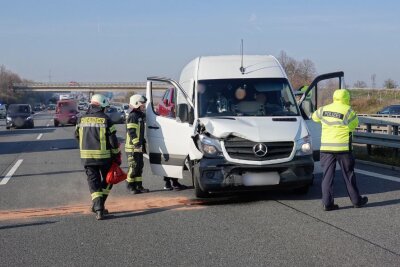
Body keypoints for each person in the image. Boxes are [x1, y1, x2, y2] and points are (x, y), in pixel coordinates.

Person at [312, 89, 368, 211]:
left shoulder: (323, 109)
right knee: (348, 175)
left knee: (327, 176)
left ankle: (327, 204)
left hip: (326, 148)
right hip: (343, 148)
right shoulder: (349, 111)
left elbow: (314, 117)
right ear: (346, 98)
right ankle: (357, 201)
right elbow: (353, 126)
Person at [75, 94, 121, 220]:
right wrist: (116, 154)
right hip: (104, 157)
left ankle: (98, 207)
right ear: (101, 106)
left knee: (93, 182)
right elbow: (113, 141)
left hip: (87, 158)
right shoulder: (106, 119)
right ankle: (99, 206)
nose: (105, 110)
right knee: (108, 180)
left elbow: (77, 136)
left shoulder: (81, 119)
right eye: (105, 107)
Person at [125, 94, 150, 194]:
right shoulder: (133, 116)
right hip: (132, 147)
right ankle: (130, 186)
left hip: (138, 147)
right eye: (142, 104)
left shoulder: (140, 115)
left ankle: (139, 186)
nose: (143, 106)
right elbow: (131, 131)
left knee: (140, 167)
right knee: (133, 167)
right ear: (136, 104)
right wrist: (136, 143)